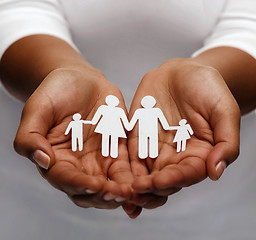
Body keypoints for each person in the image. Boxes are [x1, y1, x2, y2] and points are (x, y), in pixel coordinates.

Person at [0, 1, 256, 239]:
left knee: (142, 145)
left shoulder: (149, 112)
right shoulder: (121, 112)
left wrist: (213, 81)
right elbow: (16, 9)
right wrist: (58, 73)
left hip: (216, 208)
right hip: (37, 199)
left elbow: (249, 25)